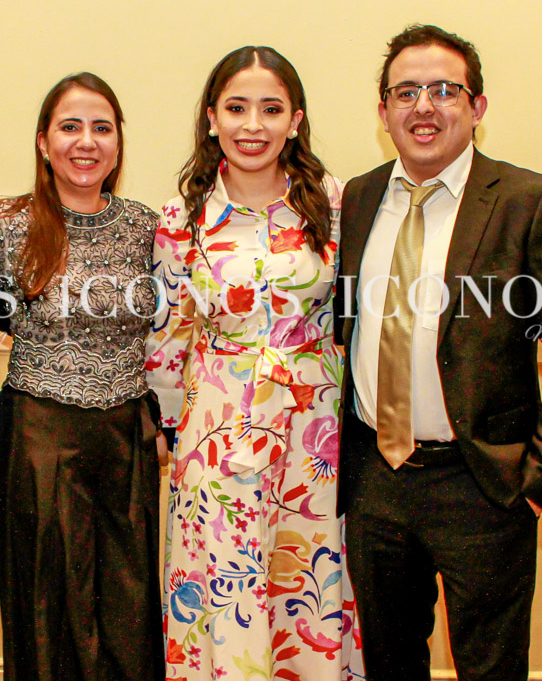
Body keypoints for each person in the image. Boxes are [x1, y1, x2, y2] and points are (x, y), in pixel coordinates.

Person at [335, 24, 542, 680]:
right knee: (389, 663)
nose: (424, 106)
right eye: (406, 92)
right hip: (376, 478)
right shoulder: (360, 198)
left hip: (480, 483)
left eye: (444, 90)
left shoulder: (527, 201)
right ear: (383, 111)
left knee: (490, 667)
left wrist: (539, 478)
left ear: (477, 108)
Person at [147, 46, 363, 681]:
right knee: (226, 583)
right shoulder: (181, 219)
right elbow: (166, 339)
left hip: (314, 435)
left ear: (295, 120)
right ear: (211, 117)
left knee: (310, 582)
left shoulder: (336, 205)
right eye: (236, 108)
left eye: (270, 109)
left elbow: (359, 317)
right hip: (218, 434)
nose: (252, 125)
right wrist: (165, 427)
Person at [0, 72, 165, 681]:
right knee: (46, 597)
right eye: (69, 127)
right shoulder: (7, 224)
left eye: (101, 128)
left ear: (118, 142)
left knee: (127, 594)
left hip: (126, 438)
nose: (85, 142)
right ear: (43, 142)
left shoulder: (148, 226)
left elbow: (176, 330)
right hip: (40, 437)